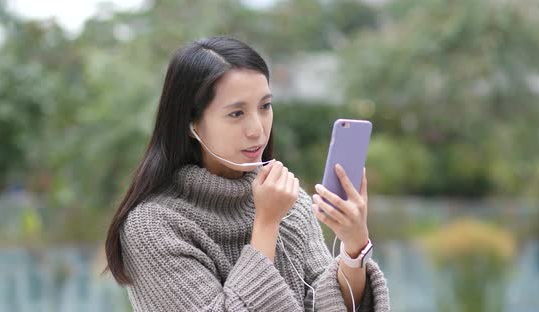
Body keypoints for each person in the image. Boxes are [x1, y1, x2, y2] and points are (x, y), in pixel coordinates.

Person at [104, 36, 390, 312]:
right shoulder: (153, 226)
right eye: (236, 113)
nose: (258, 129)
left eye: (265, 106)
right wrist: (266, 224)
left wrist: (354, 249)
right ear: (191, 124)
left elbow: (325, 304)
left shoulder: (290, 204)